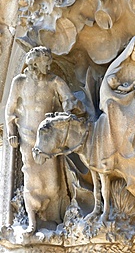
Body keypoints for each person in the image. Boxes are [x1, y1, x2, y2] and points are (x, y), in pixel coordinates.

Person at [6, 46, 85, 234]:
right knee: (31, 178)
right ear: (34, 62)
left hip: (49, 140)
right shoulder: (20, 82)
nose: (49, 65)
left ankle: (56, 219)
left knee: (52, 182)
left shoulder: (54, 81)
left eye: (49, 62)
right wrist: (11, 133)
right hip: (27, 136)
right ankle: (32, 223)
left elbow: (70, 101)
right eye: (45, 62)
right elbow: (9, 111)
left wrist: (70, 107)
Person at [89, 35, 135, 201]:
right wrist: (118, 94)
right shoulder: (118, 67)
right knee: (110, 113)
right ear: (129, 51)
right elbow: (106, 91)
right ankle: (114, 157)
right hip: (120, 107)